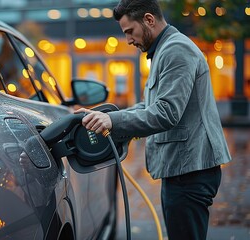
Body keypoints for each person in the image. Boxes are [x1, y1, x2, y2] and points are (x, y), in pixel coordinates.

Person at [75, 0, 232, 239]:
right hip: (183, 169)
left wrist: (114, 122)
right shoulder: (164, 50)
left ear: (149, 20)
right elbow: (151, 106)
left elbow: (167, 112)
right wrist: (105, 116)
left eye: (130, 31)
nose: (128, 39)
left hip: (190, 172)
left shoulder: (176, 50)